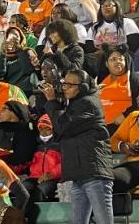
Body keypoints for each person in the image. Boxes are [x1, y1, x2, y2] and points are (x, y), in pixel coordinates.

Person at [40, 68, 114, 224]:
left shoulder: (88, 103)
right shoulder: (74, 105)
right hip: (79, 174)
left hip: (94, 173)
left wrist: (52, 102)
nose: (65, 87)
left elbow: (61, 127)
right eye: (64, 83)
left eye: (70, 84)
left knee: (103, 220)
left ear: (83, 87)